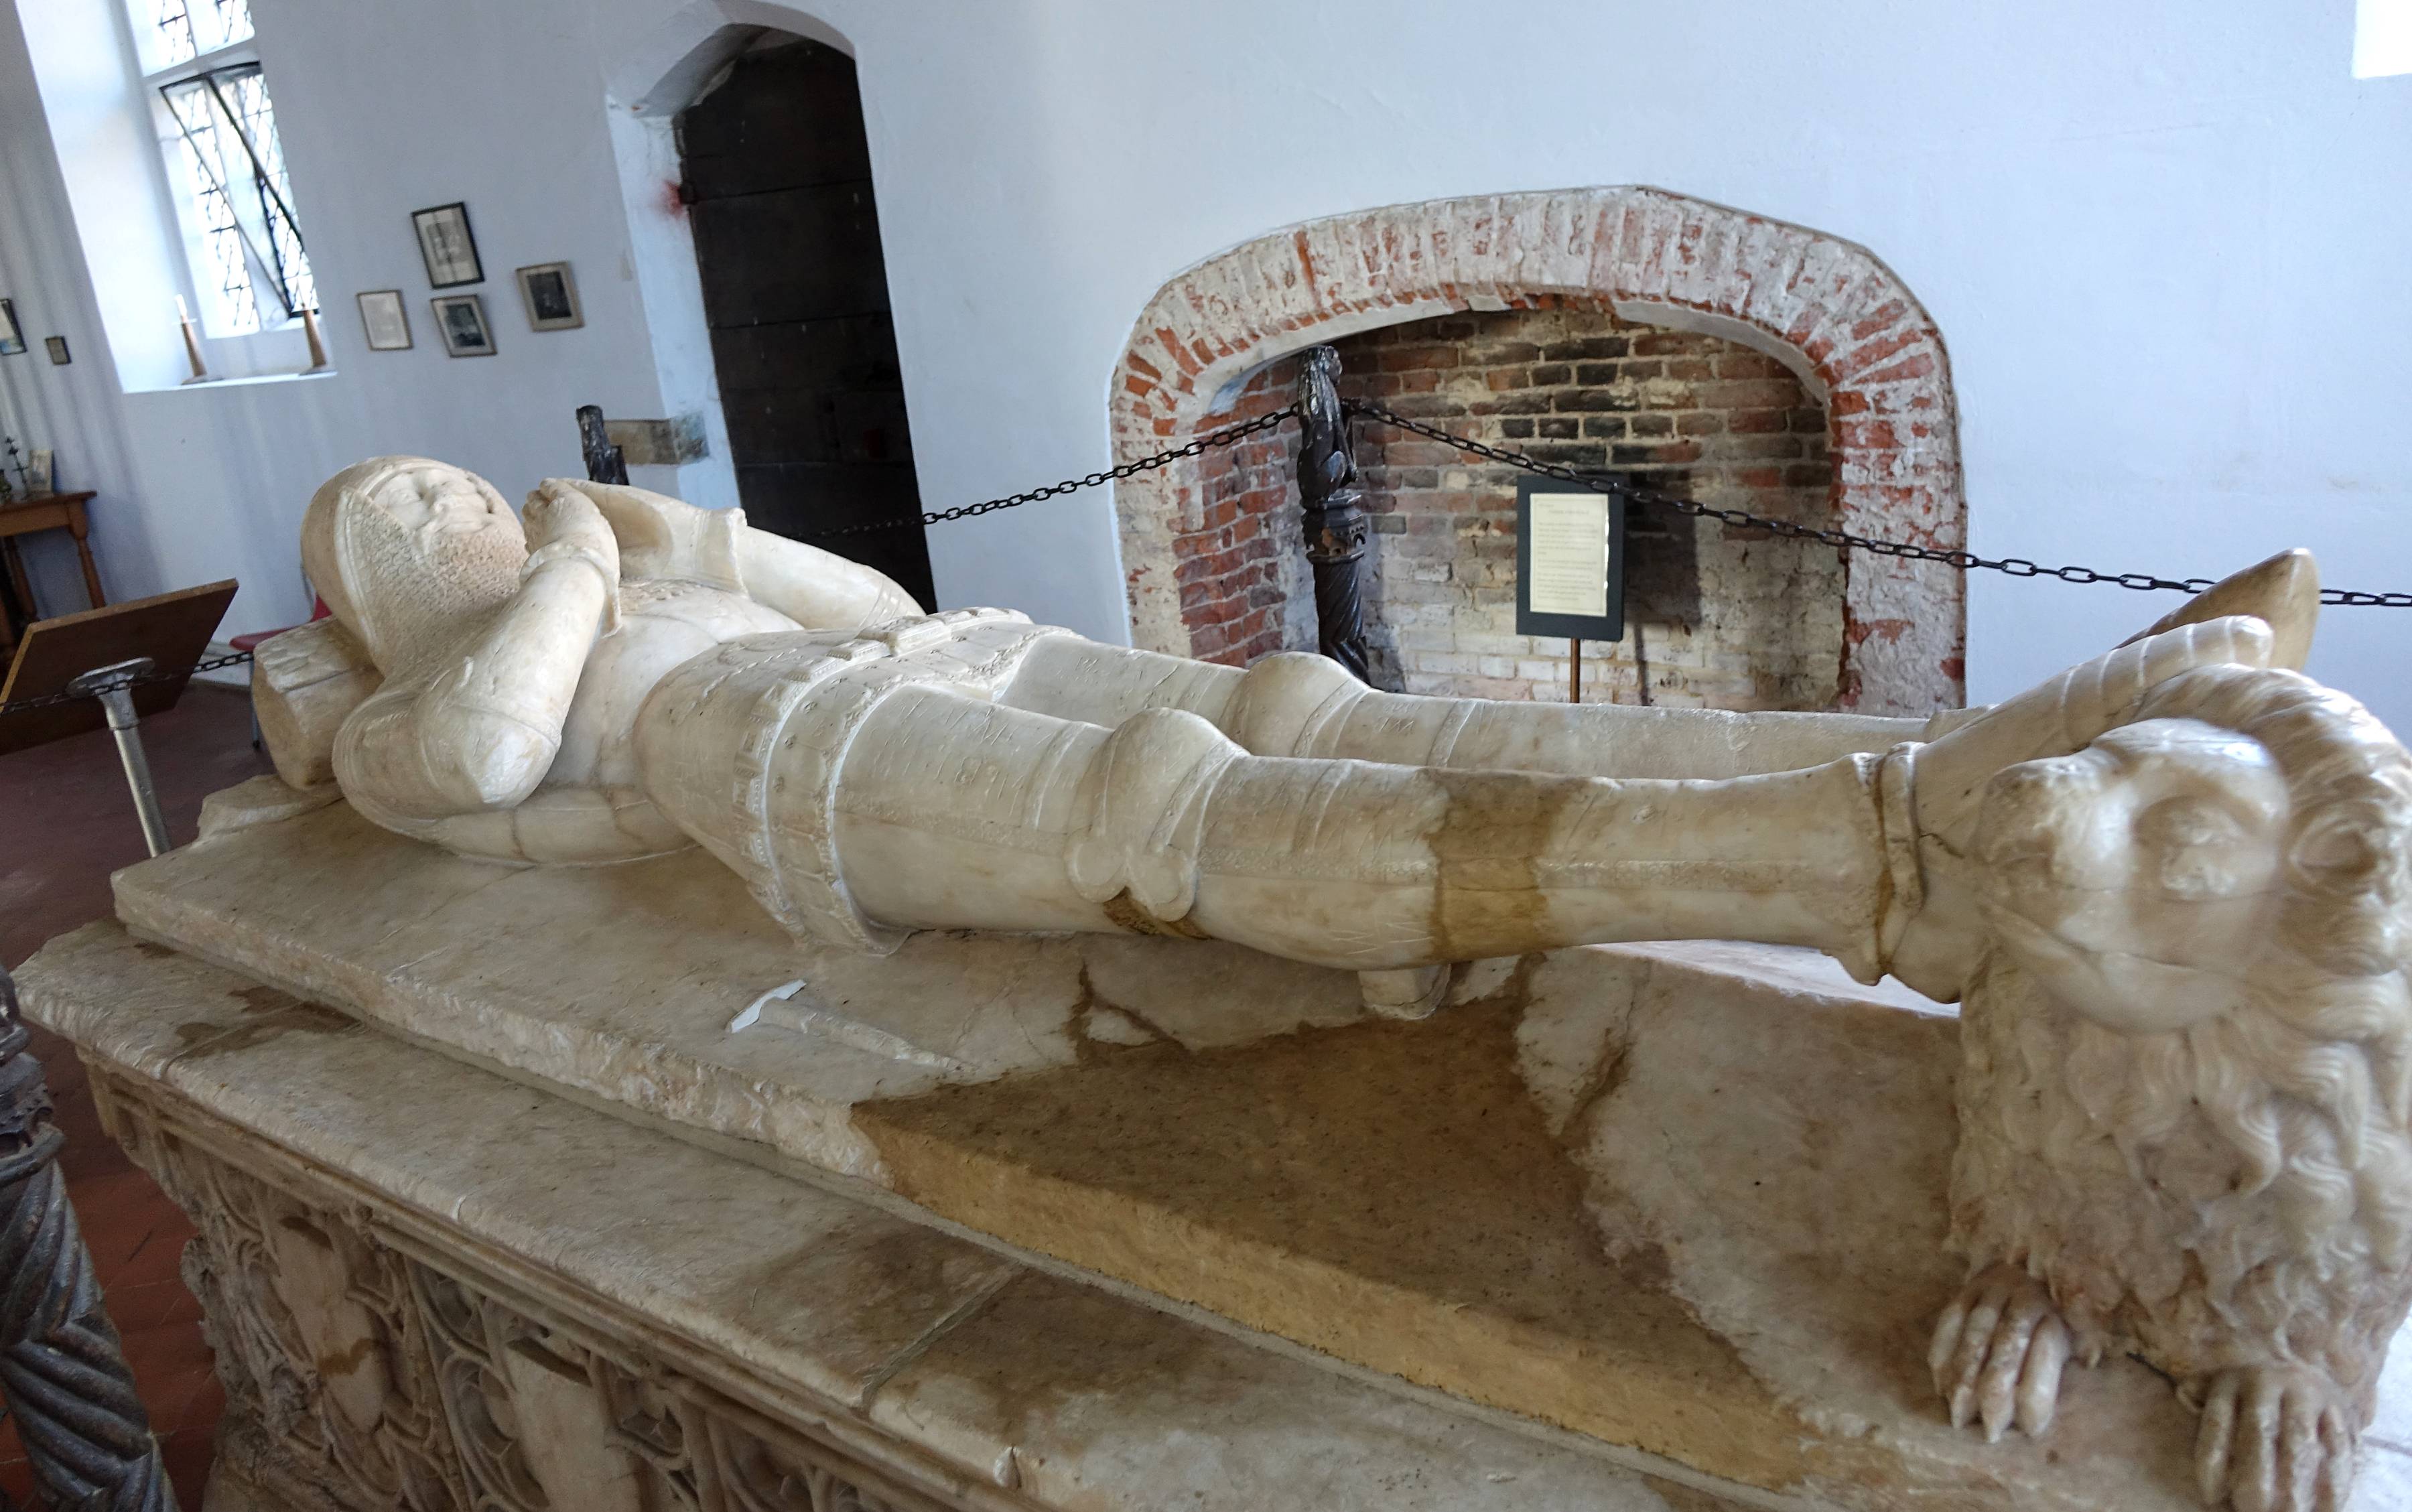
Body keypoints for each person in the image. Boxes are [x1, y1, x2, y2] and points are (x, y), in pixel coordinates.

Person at [279, 455, 2308, 1009]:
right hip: (751, 754)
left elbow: (876, 603)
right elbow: (486, 760)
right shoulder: (411, 717)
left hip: (926, 658)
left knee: (1332, 709)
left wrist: (697, 539)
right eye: (400, 516)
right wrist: (573, 566)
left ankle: (1946, 756)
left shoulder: (605, 582)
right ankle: (1859, 873)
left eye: (451, 483)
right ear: (363, 598)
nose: (449, 504)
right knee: (1170, 814)